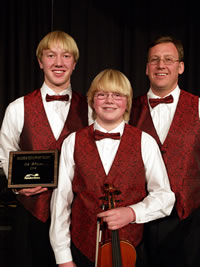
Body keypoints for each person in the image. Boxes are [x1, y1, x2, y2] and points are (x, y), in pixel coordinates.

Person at [49, 69, 175, 267]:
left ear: (127, 102)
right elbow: (61, 203)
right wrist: (63, 257)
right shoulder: (72, 142)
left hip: (130, 250)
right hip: (81, 250)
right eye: (102, 95)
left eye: (117, 95)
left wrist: (132, 213)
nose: (109, 101)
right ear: (92, 101)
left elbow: (165, 197)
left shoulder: (145, 142)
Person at [0, 30, 91, 267]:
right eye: (51, 56)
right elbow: (5, 155)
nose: (58, 63)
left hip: (78, 217)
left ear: (74, 63)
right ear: (41, 62)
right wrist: (19, 187)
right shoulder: (17, 107)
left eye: (66, 56)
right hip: (31, 215)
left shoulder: (93, 108)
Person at [130, 36, 200, 267]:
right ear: (147, 68)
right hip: (139, 219)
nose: (161, 65)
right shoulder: (127, 109)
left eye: (168, 60)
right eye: (155, 60)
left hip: (188, 220)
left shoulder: (198, 106)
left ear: (180, 67)